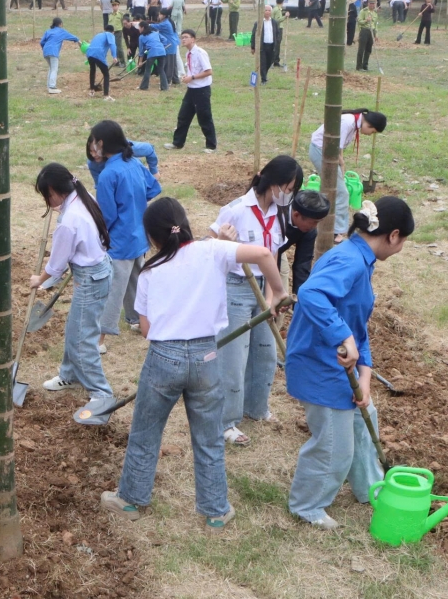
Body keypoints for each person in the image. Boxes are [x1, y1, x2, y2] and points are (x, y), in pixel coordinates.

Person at [99, 196, 282, 528]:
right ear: (185, 224)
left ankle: (131, 500)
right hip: (207, 357)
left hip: (163, 359)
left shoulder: (151, 271)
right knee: (209, 436)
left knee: (145, 431)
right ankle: (215, 510)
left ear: (152, 237)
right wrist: (278, 292)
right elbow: (265, 254)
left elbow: (145, 329)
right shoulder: (212, 250)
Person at [286, 197, 414, 529]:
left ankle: (369, 490)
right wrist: (341, 337)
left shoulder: (361, 259)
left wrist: (366, 378)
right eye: (403, 242)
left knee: (365, 416)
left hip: (342, 367)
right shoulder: (350, 261)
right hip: (319, 364)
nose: (401, 248)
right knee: (333, 447)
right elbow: (311, 294)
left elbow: (357, 327)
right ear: (393, 235)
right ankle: (307, 504)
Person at [210, 155, 301, 446]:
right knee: (234, 357)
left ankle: (257, 408)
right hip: (236, 287)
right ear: (272, 182)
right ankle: (226, 422)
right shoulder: (236, 210)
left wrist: (273, 296)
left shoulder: (278, 213)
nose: (288, 194)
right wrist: (222, 239)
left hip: (265, 288)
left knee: (265, 351)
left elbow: (273, 255)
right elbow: (209, 247)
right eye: (287, 187)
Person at [31, 163, 115, 424]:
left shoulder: (69, 221)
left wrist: (40, 280)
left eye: (47, 196)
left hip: (91, 278)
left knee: (82, 339)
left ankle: (101, 393)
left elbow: (56, 264)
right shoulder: (82, 196)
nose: (48, 201)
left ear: (55, 190)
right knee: (75, 328)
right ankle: (70, 374)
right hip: (95, 270)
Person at [89, 121, 161, 354]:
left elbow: (106, 216)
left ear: (101, 144)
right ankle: (138, 319)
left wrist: (99, 239)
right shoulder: (134, 163)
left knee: (113, 289)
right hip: (139, 236)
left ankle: (99, 338)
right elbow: (153, 188)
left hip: (119, 241)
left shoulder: (109, 174)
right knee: (137, 282)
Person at [308, 109, 388, 234]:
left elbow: (338, 146)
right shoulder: (348, 122)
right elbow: (334, 145)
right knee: (342, 193)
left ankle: (321, 221)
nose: (369, 134)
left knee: (330, 189)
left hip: (327, 152)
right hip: (321, 151)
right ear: (369, 124)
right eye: (372, 132)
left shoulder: (353, 122)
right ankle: (337, 231)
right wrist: (341, 163)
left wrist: (341, 163)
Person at [168, 29, 216, 152]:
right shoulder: (188, 54)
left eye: (186, 37)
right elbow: (193, 70)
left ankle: (211, 146)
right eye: (182, 37)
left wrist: (192, 77)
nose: (183, 39)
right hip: (191, 89)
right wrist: (187, 77)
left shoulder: (200, 53)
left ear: (193, 39)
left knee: (204, 118)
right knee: (183, 116)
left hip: (202, 90)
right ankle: (177, 143)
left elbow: (209, 71)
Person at [278, 190, 330, 293]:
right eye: (314, 222)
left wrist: (299, 298)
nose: (315, 227)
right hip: (258, 250)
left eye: (318, 222)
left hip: (278, 250)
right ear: (296, 215)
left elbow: (302, 265)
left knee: (282, 289)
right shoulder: (275, 217)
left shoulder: (309, 231)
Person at [40, 18, 80, 95]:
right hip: (53, 51)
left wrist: (44, 48)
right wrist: (78, 40)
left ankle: (49, 86)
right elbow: (72, 37)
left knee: (51, 68)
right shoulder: (61, 31)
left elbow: (42, 41)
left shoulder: (48, 31)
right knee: (54, 69)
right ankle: (52, 87)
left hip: (46, 51)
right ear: (60, 24)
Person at [251, 5, 281, 84]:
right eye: (266, 10)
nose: (267, 12)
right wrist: (253, 47)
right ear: (262, 12)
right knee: (263, 63)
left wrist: (277, 42)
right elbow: (254, 34)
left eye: (269, 10)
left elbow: (277, 33)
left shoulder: (274, 22)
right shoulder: (259, 22)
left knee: (270, 61)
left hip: (271, 46)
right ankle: (263, 79)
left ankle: (265, 74)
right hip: (262, 46)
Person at [137, 21, 168, 92]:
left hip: (152, 52)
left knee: (147, 70)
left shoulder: (141, 37)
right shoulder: (155, 33)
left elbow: (141, 51)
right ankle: (164, 87)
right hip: (162, 52)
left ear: (143, 28)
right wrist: (161, 46)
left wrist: (140, 62)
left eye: (139, 28)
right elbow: (165, 40)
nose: (139, 29)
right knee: (161, 70)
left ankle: (144, 86)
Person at [86, 26, 116, 99]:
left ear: (104, 30)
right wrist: (114, 56)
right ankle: (106, 95)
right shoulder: (110, 34)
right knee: (106, 74)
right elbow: (113, 45)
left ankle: (92, 90)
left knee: (92, 70)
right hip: (98, 53)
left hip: (89, 52)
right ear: (113, 32)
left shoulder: (98, 34)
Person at [355, 0, 378, 71]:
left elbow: (375, 25)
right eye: (371, 3)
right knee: (361, 49)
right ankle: (359, 66)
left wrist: (376, 35)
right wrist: (366, 20)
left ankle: (365, 65)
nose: (372, 5)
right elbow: (359, 21)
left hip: (372, 32)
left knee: (368, 49)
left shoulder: (375, 13)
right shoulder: (363, 11)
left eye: (373, 4)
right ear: (368, 4)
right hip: (364, 31)